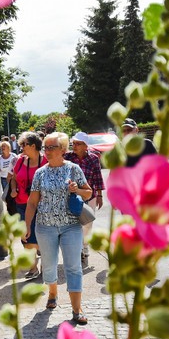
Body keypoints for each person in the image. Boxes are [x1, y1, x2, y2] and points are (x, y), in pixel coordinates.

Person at [25, 132, 93, 324]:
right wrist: (27, 225)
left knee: (73, 267)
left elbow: (88, 193)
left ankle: (76, 309)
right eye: (45, 147)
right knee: (48, 264)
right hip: (45, 227)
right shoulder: (40, 173)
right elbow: (32, 203)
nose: (46, 151)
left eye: (51, 147)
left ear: (63, 150)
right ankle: (53, 293)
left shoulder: (74, 169)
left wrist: (76, 190)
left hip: (70, 226)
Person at [10, 132, 47, 279]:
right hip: (21, 204)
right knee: (26, 237)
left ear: (33, 146)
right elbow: (13, 178)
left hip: (42, 206)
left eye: (24, 144)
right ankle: (33, 268)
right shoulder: (20, 161)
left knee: (43, 236)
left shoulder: (45, 161)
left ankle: (46, 266)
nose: (21, 147)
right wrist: (13, 189)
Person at [65, 132, 105, 265]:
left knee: (87, 224)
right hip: (72, 195)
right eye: (74, 143)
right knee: (73, 224)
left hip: (90, 195)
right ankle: (77, 250)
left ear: (85, 146)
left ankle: (85, 247)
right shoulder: (68, 157)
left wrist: (99, 195)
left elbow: (98, 177)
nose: (74, 146)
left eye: (78, 144)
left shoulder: (93, 158)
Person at [0, 141, 18, 215]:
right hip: (4, 179)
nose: (2, 148)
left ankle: (15, 209)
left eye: (4, 146)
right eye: (2, 146)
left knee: (14, 194)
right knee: (7, 196)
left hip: (13, 179)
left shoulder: (14, 156)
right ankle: (9, 209)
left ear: (8, 148)